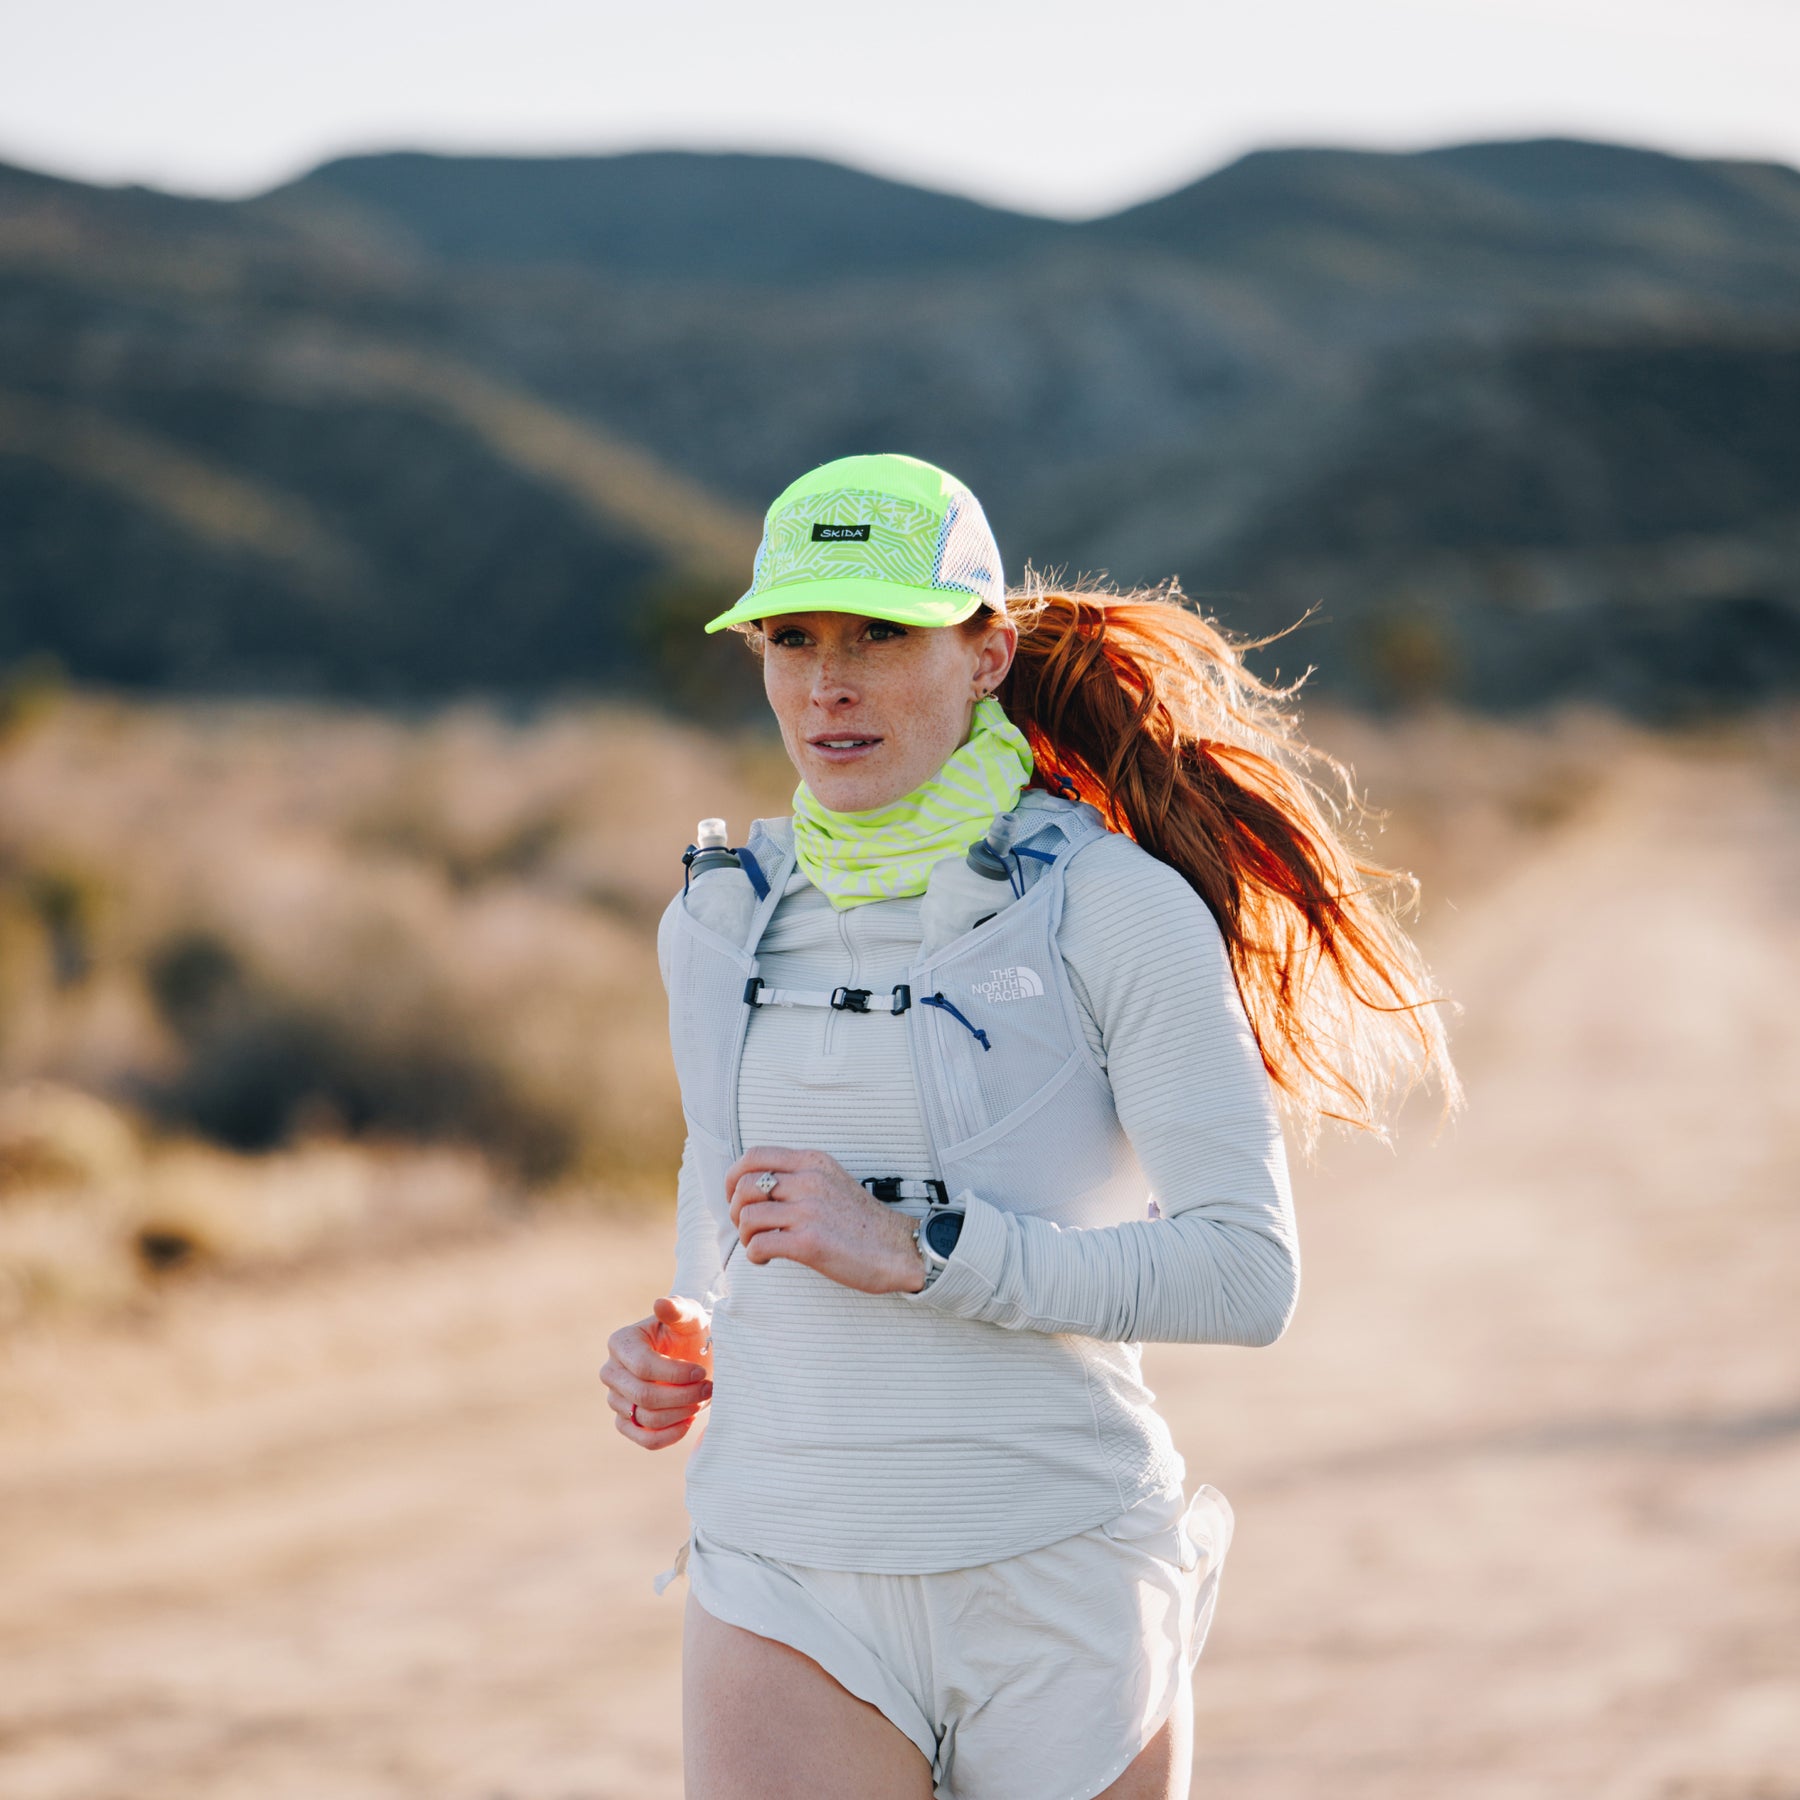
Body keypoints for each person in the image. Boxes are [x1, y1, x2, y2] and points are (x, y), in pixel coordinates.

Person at [602, 453, 1457, 1800]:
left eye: (881, 634)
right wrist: (681, 1330)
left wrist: (921, 1251)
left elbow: (1248, 1274)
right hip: (786, 1570)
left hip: (1056, 1579)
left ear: (987, 650)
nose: (827, 683)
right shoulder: (717, 913)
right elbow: (720, 1190)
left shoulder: (1109, 907)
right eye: (792, 639)